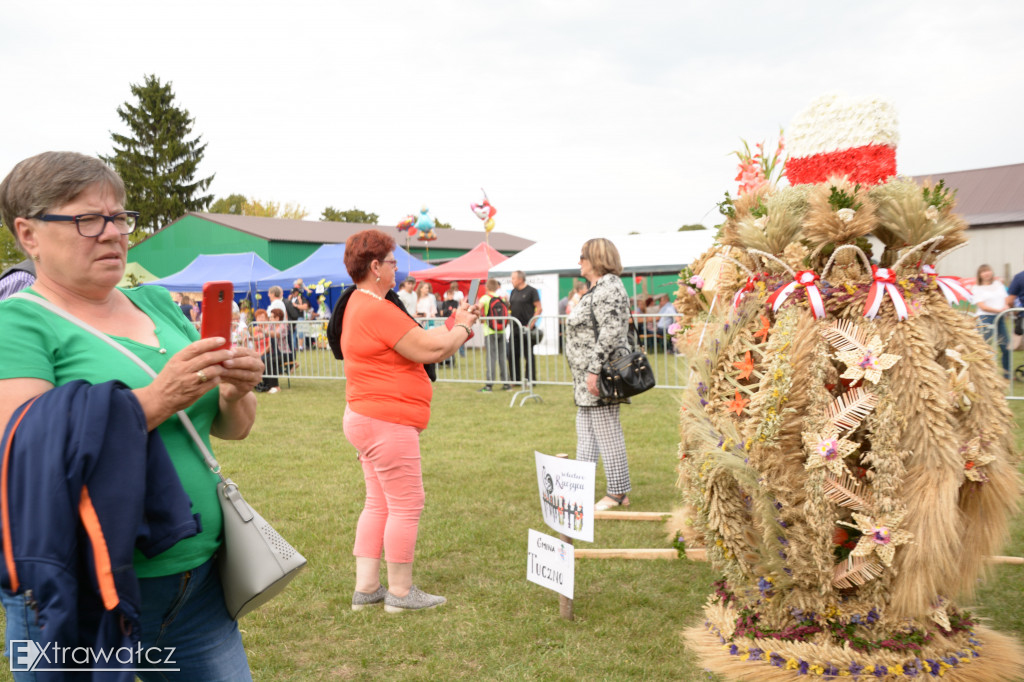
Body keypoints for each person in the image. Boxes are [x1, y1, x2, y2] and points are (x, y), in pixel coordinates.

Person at [0, 151, 264, 679]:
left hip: (196, 589)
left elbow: (231, 429)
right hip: (81, 589)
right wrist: (157, 398)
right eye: (86, 219)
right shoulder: (17, 321)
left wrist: (236, 392)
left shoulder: (159, 305)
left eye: (119, 217)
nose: (113, 233)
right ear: (28, 235)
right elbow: (26, 445)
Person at [334, 229, 479, 613]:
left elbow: (415, 339)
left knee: (378, 502)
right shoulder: (377, 308)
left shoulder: (358, 304)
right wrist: (462, 328)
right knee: (406, 504)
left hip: (367, 416)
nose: (398, 268)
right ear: (376, 266)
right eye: (393, 261)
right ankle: (400, 592)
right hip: (386, 420)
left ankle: (367, 588)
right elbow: (431, 349)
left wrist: (453, 325)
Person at [564, 238, 633, 511]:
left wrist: (594, 371)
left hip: (601, 376)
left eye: (582, 256)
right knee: (587, 434)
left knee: (607, 433)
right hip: (586, 378)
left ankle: (617, 493)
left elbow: (611, 332)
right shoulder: (596, 289)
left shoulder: (609, 288)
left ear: (596, 259)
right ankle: (581, 489)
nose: (579, 261)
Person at [973, 263, 1011, 378]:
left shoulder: (998, 284)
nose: (986, 273)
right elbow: (982, 306)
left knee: (1006, 346)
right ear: (980, 275)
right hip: (985, 318)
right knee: (985, 346)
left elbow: (1006, 299)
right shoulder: (977, 288)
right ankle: (985, 373)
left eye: (987, 270)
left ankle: (1007, 373)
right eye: (983, 271)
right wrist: (999, 310)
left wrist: (1006, 307)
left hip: (1000, 318)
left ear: (992, 272)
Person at [508, 270, 542, 385]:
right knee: (512, 354)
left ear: (520, 279)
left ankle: (531, 380)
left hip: (527, 329)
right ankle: (515, 379)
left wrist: (531, 323)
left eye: (513, 278)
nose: (511, 281)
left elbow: (539, 308)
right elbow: (511, 308)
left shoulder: (532, 291)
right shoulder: (513, 292)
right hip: (514, 328)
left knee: (528, 355)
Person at [478, 278, 511, 392]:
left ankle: (489, 385)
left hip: (490, 331)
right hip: (501, 331)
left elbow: (478, 308)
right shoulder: (501, 299)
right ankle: (506, 383)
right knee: (502, 357)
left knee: (491, 357)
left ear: (486, 287)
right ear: (497, 287)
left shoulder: (485, 298)